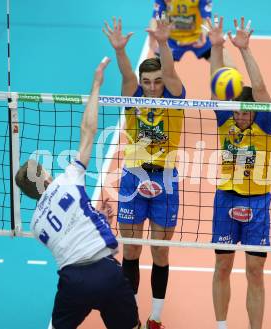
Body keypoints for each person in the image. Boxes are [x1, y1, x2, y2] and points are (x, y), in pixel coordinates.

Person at [14, 57, 140, 329]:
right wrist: (96, 84)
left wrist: (96, 217)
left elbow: (71, 232)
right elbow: (88, 130)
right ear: (45, 175)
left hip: (73, 283)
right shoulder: (68, 179)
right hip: (106, 272)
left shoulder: (36, 225)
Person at [103, 16, 186, 329]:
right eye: (147, 81)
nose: (152, 87)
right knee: (133, 249)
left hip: (165, 181)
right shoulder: (132, 96)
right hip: (133, 178)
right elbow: (127, 74)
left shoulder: (176, 99)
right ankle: (130, 317)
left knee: (161, 253)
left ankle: (156, 317)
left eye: (157, 81)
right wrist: (121, 51)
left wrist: (163, 43)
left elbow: (173, 73)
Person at [208, 16, 271, 329]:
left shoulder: (264, 125)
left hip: (258, 203)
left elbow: (259, 88)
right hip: (225, 198)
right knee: (222, 265)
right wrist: (216, 46)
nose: (241, 115)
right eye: (237, 110)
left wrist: (245, 50)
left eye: (245, 111)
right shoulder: (226, 121)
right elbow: (217, 83)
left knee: (254, 271)